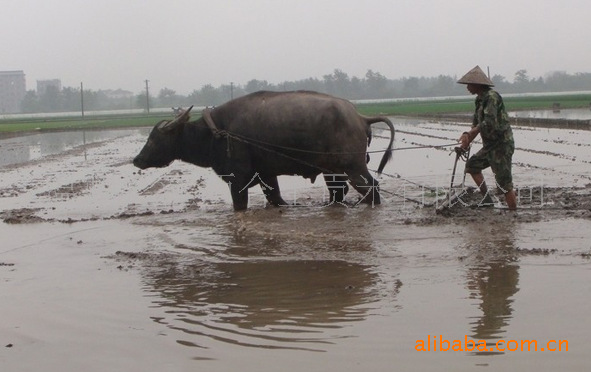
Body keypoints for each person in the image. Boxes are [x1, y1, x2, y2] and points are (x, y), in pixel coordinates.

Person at [457, 65, 517, 210]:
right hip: (490, 146)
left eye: (469, 84)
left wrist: (469, 134)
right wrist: (465, 144)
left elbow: (489, 122)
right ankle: (487, 199)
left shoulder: (492, 97)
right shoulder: (479, 100)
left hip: (501, 145)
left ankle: (513, 214)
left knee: (504, 183)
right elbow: (476, 126)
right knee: (472, 166)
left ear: (477, 85)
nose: (467, 88)